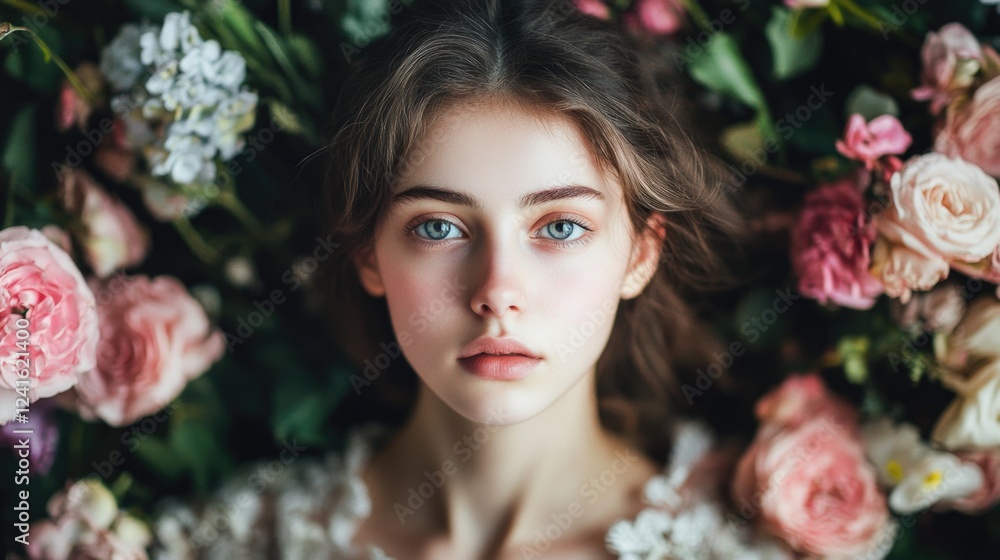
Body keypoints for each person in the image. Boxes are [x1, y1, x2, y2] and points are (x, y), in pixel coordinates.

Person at [149, 1, 791, 558]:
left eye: (561, 227)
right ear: (369, 255)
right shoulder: (241, 540)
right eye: (438, 227)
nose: (496, 291)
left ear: (639, 257)